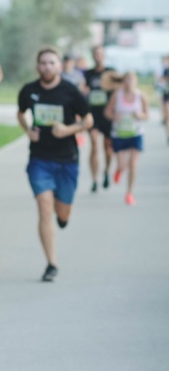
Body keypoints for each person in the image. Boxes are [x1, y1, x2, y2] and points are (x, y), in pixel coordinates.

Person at [17, 47, 93, 282]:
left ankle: (64, 215)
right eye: (43, 63)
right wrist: (28, 131)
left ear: (59, 66)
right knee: (45, 208)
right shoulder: (29, 91)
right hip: (40, 159)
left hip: (67, 160)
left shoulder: (70, 91)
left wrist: (68, 129)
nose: (47, 67)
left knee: (62, 211)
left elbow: (88, 120)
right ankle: (51, 264)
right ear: (37, 66)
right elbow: (21, 113)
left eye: (52, 63)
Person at [104, 71, 149, 205]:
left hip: (136, 134)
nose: (129, 82)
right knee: (122, 165)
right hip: (119, 134)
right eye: (126, 80)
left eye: (131, 80)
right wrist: (114, 116)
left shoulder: (141, 96)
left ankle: (129, 193)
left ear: (136, 81)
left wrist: (140, 115)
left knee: (133, 164)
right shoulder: (117, 95)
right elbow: (107, 112)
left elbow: (147, 115)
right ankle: (119, 169)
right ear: (123, 81)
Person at [84, 46, 118, 192]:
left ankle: (106, 173)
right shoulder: (87, 73)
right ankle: (94, 179)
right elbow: (82, 91)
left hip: (107, 115)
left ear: (104, 55)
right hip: (93, 114)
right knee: (93, 145)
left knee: (108, 148)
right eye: (95, 53)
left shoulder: (110, 72)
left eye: (100, 53)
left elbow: (119, 90)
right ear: (92, 56)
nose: (98, 56)